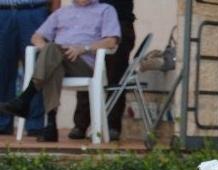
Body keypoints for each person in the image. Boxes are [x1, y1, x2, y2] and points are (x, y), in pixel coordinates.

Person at [0, 0, 119, 142]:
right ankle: (51, 126)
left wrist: (84, 48)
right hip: (58, 62)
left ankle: (25, 98)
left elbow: (112, 41)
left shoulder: (105, 10)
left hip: (83, 65)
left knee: (52, 53)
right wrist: (48, 53)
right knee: (53, 62)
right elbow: (36, 37)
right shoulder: (62, 12)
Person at [69, 0, 134, 141]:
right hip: (91, 23)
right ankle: (81, 125)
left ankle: (112, 126)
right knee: (87, 70)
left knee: (115, 75)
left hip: (119, 21)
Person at [0, 0, 59, 137]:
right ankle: (2, 122)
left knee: (37, 68)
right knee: (2, 70)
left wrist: (55, 16)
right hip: (2, 12)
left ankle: (35, 123)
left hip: (34, 11)